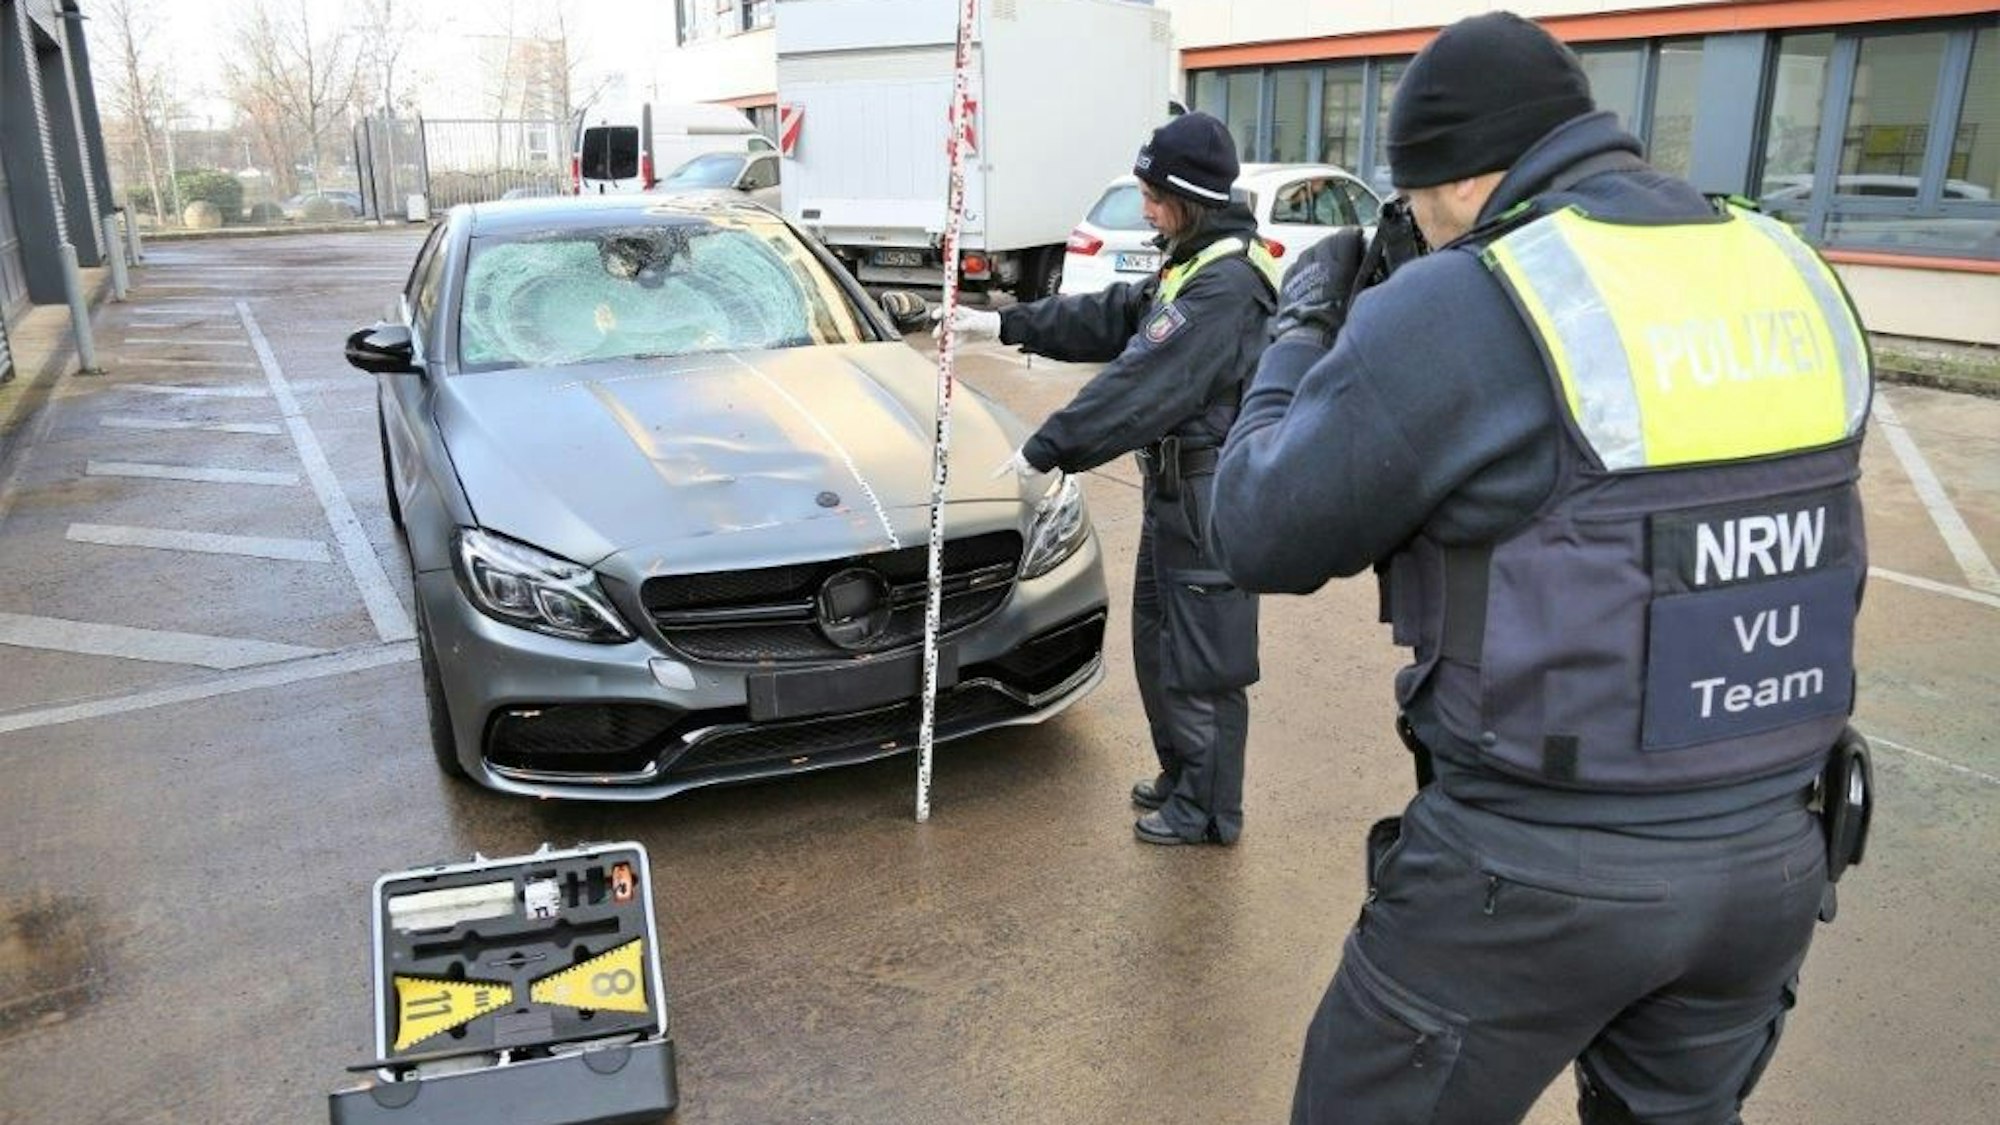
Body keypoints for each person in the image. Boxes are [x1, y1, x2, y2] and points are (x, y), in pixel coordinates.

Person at [1208, 11, 1872, 1122]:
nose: (1415, 231)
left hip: (1535, 877)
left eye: (1413, 205)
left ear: (1460, 183)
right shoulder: (1785, 266)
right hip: (1773, 855)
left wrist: (1303, 327)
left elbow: (1260, 529)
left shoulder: (1471, 296)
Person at [939, 111, 1281, 845]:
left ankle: (1210, 809)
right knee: (1159, 645)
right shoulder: (1189, 259)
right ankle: (1183, 775)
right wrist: (1005, 324)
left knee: (1204, 659)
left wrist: (1048, 447)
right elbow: (1116, 316)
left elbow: (1141, 382)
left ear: (1189, 196)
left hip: (1209, 501)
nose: (1147, 208)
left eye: (1154, 195)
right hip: (1175, 494)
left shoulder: (1227, 286)